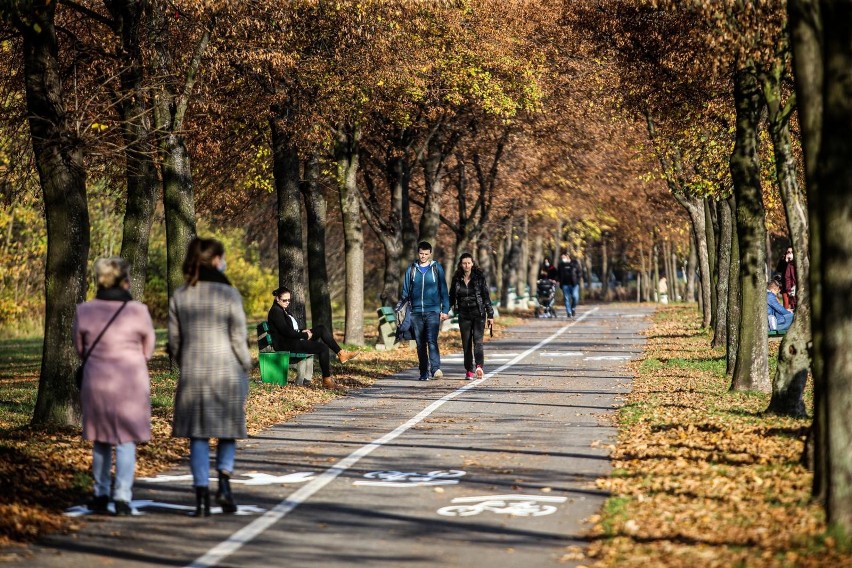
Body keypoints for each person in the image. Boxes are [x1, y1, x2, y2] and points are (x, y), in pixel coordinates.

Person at [169, 237, 252, 517]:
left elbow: (174, 341)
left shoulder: (180, 295)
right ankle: (225, 482)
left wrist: (187, 362)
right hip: (227, 371)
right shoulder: (229, 294)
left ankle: (201, 495)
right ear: (216, 259)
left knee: (198, 436)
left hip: (194, 373)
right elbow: (238, 338)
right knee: (228, 430)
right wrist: (247, 364)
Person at [73, 257, 155, 516]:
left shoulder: (84, 310)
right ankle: (122, 497)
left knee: (100, 440)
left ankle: (100, 493)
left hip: (97, 381)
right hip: (130, 380)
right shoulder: (138, 311)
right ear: (125, 280)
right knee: (126, 440)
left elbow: (80, 349)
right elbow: (148, 349)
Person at [268, 286, 357, 389]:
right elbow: (286, 332)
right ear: (277, 299)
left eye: (289, 300)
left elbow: (290, 330)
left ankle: (341, 354)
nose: (287, 302)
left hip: (292, 340)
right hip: (286, 344)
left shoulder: (283, 310)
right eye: (284, 300)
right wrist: (305, 335)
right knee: (322, 348)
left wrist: (302, 331)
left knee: (321, 329)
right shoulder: (276, 311)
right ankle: (327, 381)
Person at [401, 241, 450, 381]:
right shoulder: (411, 269)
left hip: (433, 311)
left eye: (426, 254)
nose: (423, 256)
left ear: (430, 254)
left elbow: (443, 290)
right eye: (421, 253)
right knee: (420, 343)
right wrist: (404, 310)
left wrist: (445, 309)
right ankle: (423, 372)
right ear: (418, 253)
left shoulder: (436, 268)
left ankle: (435, 369)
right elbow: (405, 291)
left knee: (432, 340)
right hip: (415, 312)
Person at [449, 253, 495, 379]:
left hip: (478, 313)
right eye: (464, 263)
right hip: (463, 314)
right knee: (466, 343)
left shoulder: (479, 277)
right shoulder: (457, 278)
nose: (467, 265)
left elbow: (485, 296)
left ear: (473, 263)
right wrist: (444, 310)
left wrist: (490, 314)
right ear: (461, 264)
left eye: (469, 263)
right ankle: (469, 369)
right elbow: (452, 297)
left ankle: (479, 366)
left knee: (478, 341)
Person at [557, 252, 581, 317]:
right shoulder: (561, 265)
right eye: (561, 258)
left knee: (575, 297)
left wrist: (578, 281)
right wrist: (559, 281)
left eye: (563, 257)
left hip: (574, 284)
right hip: (565, 284)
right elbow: (558, 274)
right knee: (566, 298)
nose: (562, 259)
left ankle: (573, 308)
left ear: (567, 256)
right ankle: (569, 312)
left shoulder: (575, 263)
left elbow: (579, 273)